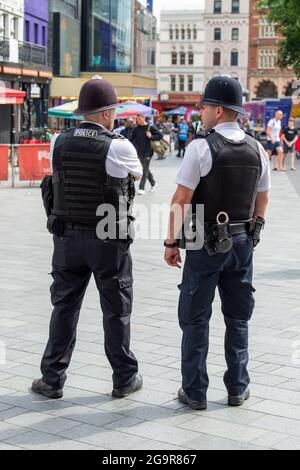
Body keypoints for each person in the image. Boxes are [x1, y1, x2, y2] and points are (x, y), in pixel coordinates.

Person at [32, 76, 143, 400]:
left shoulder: (59, 141)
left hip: (67, 240)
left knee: (64, 308)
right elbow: (135, 175)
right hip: (108, 240)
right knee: (116, 311)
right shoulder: (119, 146)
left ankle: (51, 380)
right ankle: (124, 378)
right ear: (108, 113)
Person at [164, 76, 270, 410]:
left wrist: (171, 242)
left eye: (205, 107)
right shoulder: (258, 149)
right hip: (241, 241)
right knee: (238, 317)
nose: (202, 112)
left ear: (219, 110)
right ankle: (237, 387)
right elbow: (262, 200)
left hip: (203, 240)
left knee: (195, 317)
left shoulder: (201, 147)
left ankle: (195, 392)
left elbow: (181, 198)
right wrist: (253, 234)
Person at [130, 113, 163, 195]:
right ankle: (153, 183)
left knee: (144, 169)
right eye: (136, 119)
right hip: (139, 152)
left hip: (148, 152)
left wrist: (151, 137)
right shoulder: (135, 129)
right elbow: (130, 139)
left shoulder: (150, 127)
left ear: (143, 118)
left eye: (139, 119)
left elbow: (160, 135)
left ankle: (141, 188)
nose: (137, 120)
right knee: (146, 169)